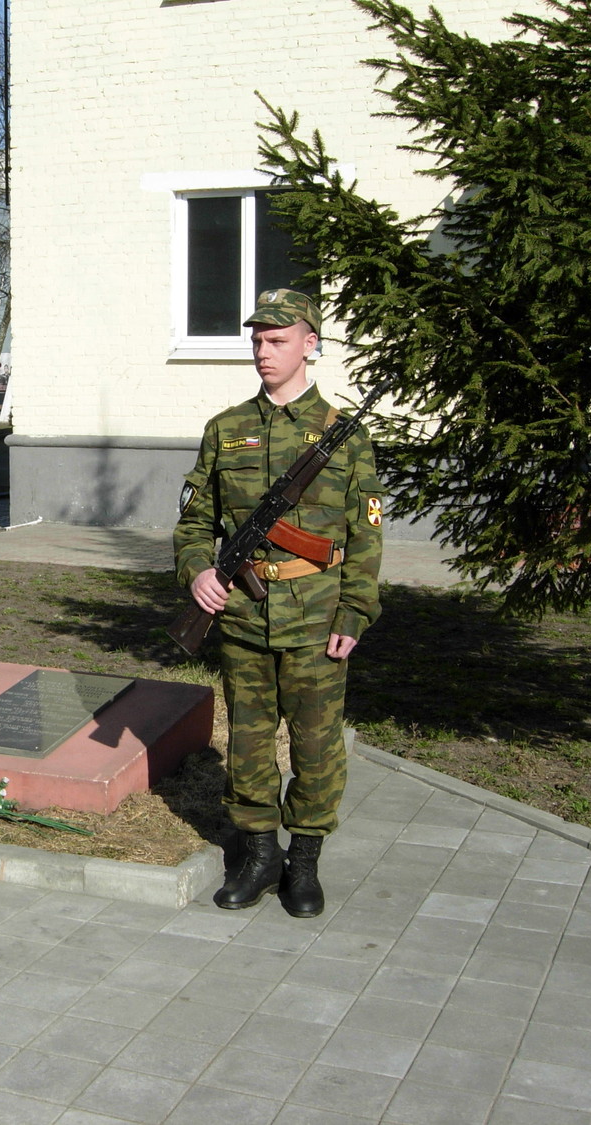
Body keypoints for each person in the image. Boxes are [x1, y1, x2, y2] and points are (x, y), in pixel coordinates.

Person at [174, 289, 382, 916]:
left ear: (309, 345)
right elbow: (192, 524)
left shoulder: (343, 436)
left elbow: (366, 534)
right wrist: (196, 575)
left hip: (318, 620)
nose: (263, 353)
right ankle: (261, 855)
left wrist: (354, 613)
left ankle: (305, 862)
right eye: (257, 341)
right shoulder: (226, 429)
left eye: (278, 341)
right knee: (249, 741)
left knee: (317, 747)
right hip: (242, 616)